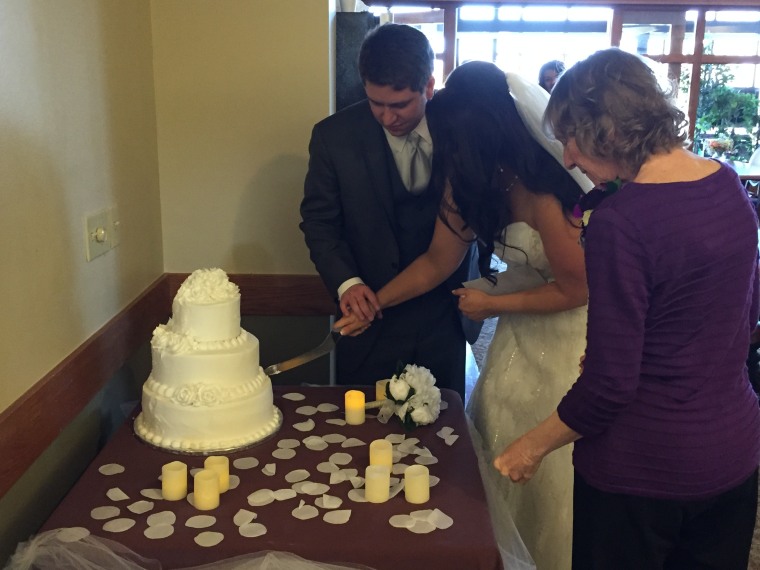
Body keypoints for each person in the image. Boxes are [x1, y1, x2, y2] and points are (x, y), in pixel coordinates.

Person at [495, 48, 760, 569]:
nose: (567, 158)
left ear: (606, 130)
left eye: (571, 138)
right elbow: (740, 317)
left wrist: (529, 446)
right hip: (733, 453)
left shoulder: (624, 220)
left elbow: (609, 386)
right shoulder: (728, 184)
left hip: (643, 471)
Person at [337, 61, 592, 570]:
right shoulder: (469, 184)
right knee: (496, 438)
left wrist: (494, 304)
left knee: (554, 474)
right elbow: (437, 261)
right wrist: (375, 302)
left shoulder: (546, 195)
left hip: (569, 340)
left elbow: (578, 288)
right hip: (518, 344)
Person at [300, 23, 480, 401]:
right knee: (361, 436)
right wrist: (347, 283)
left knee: (442, 435)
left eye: (399, 105)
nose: (386, 117)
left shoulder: (462, 131)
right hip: (367, 320)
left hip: (444, 314)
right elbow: (319, 223)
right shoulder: (333, 137)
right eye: (375, 103)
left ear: (428, 87)